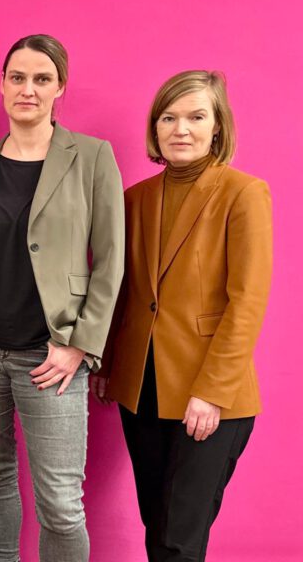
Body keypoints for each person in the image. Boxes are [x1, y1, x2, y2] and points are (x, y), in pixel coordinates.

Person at [0, 34, 124, 562]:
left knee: (62, 503)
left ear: (60, 86)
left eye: (42, 79)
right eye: (18, 78)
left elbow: (112, 262)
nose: (28, 89)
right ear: (1, 86)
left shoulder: (91, 157)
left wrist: (80, 346)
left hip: (54, 354)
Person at [97, 70, 271, 561]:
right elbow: (125, 291)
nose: (181, 129)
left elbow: (248, 302)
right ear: (155, 128)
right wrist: (109, 364)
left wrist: (211, 393)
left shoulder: (244, 193)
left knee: (179, 538)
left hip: (211, 391)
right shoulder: (135, 198)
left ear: (217, 126)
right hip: (142, 388)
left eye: (196, 117)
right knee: (158, 527)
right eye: (168, 117)